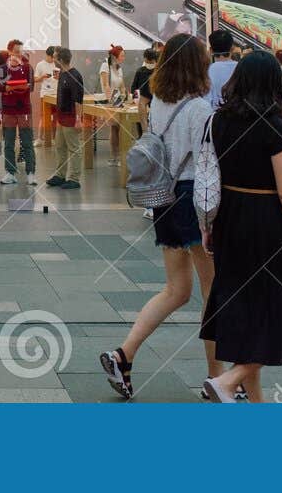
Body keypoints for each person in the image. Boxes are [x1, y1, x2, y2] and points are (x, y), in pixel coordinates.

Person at [198, 51, 282, 402]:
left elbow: (212, 178)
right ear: (272, 84)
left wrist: (208, 224)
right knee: (276, 313)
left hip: (228, 218)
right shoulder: (274, 126)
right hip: (265, 222)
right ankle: (228, 381)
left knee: (242, 310)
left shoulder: (219, 120)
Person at [100, 33, 220, 398]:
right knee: (212, 289)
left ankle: (125, 354)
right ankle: (217, 379)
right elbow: (209, 162)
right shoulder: (200, 109)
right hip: (193, 201)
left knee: (176, 290)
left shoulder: (160, 105)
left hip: (164, 199)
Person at [0, 38, 35, 186]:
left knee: (27, 142)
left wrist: (21, 87)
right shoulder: (3, 69)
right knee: (8, 143)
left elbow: (31, 88)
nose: (19, 54)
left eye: (21, 52)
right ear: (10, 51)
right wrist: (7, 88)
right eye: (17, 52)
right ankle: (10, 173)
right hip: (8, 110)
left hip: (24, 109)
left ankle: (31, 173)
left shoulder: (27, 67)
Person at [46, 46, 85, 190]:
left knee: (74, 148)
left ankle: (74, 179)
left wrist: (78, 119)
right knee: (60, 147)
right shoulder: (63, 73)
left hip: (70, 117)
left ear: (61, 59)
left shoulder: (75, 76)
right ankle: (60, 175)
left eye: (55, 57)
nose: (53, 59)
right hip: (61, 117)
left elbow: (78, 100)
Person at [206, 29, 238, 108]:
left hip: (216, 117)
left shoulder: (207, 72)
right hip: (241, 116)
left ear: (211, 51)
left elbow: (207, 100)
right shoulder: (242, 67)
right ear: (232, 49)